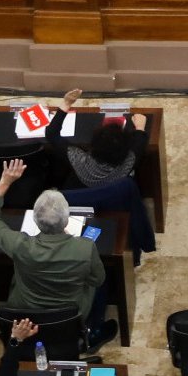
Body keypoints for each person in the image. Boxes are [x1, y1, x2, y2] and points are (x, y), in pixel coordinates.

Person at [0, 161, 107, 330]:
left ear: (36, 220)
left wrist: (5, 182)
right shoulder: (85, 248)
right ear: (66, 220)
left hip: (25, 311)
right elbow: (97, 279)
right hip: (69, 315)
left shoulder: (19, 245)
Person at [57, 94, 157, 261]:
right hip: (114, 207)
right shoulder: (129, 162)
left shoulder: (77, 159)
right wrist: (140, 127)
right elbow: (139, 143)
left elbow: (52, 134)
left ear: (93, 147)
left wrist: (65, 104)